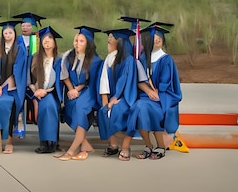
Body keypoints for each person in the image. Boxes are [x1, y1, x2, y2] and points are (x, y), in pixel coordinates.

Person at [120, 24, 182, 161]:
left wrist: (155, 92)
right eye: (154, 37)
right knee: (138, 107)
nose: (157, 39)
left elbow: (165, 83)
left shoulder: (166, 59)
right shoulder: (143, 58)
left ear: (163, 40)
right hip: (146, 95)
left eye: (159, 37)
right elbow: (138, 80)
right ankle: (150, 146)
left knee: (142, 108)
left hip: (163, 96)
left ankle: (157, 146)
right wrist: (148, 91)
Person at [55, 25, 103, 161]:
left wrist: (78, 89)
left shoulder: (95, 61)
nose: (77, 44)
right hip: (73, 90)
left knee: (80, 108)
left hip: (89, 91)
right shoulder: (69, 56)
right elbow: (64, 75)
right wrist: (71, 89)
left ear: (88, 43)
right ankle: (85, 145)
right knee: (70, 108)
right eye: (76, 40)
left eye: (81, 41)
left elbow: (93, 82)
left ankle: (71, 150)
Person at [0, 21, 27, 156]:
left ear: (15, 34)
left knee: (10, 106)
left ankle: (8, 141)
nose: (8, 35)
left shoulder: (20, 49)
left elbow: (18, 71)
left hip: (13, 87)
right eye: (6, 33)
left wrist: (5, 86)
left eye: (10, 33)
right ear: (2, 34)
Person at [96, 28, 138, 160]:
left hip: (126, 96)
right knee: (103, 111)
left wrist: (114, 99)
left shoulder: (129, 60)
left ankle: (125, 147)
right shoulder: (108, 59)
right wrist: (105, 101)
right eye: (108, 36)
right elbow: (104, 81)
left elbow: (125, 81)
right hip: (112, 97)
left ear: (120, 41)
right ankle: (113, 144)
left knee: (118, 110)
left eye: (112, 37)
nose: (109, 39)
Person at [28, 26, 62, 154]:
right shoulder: (35, 58)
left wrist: (46, 91)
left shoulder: (59, 59)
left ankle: (51, 142)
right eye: (44, 39)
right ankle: (45, 142)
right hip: (36, 91)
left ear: (54, 42)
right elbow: (29, 78)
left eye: (49, 39)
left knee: (50, 105)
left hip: (53, 92)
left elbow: (60, 80)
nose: (46, 41)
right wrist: (35, 90)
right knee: (45, 105)